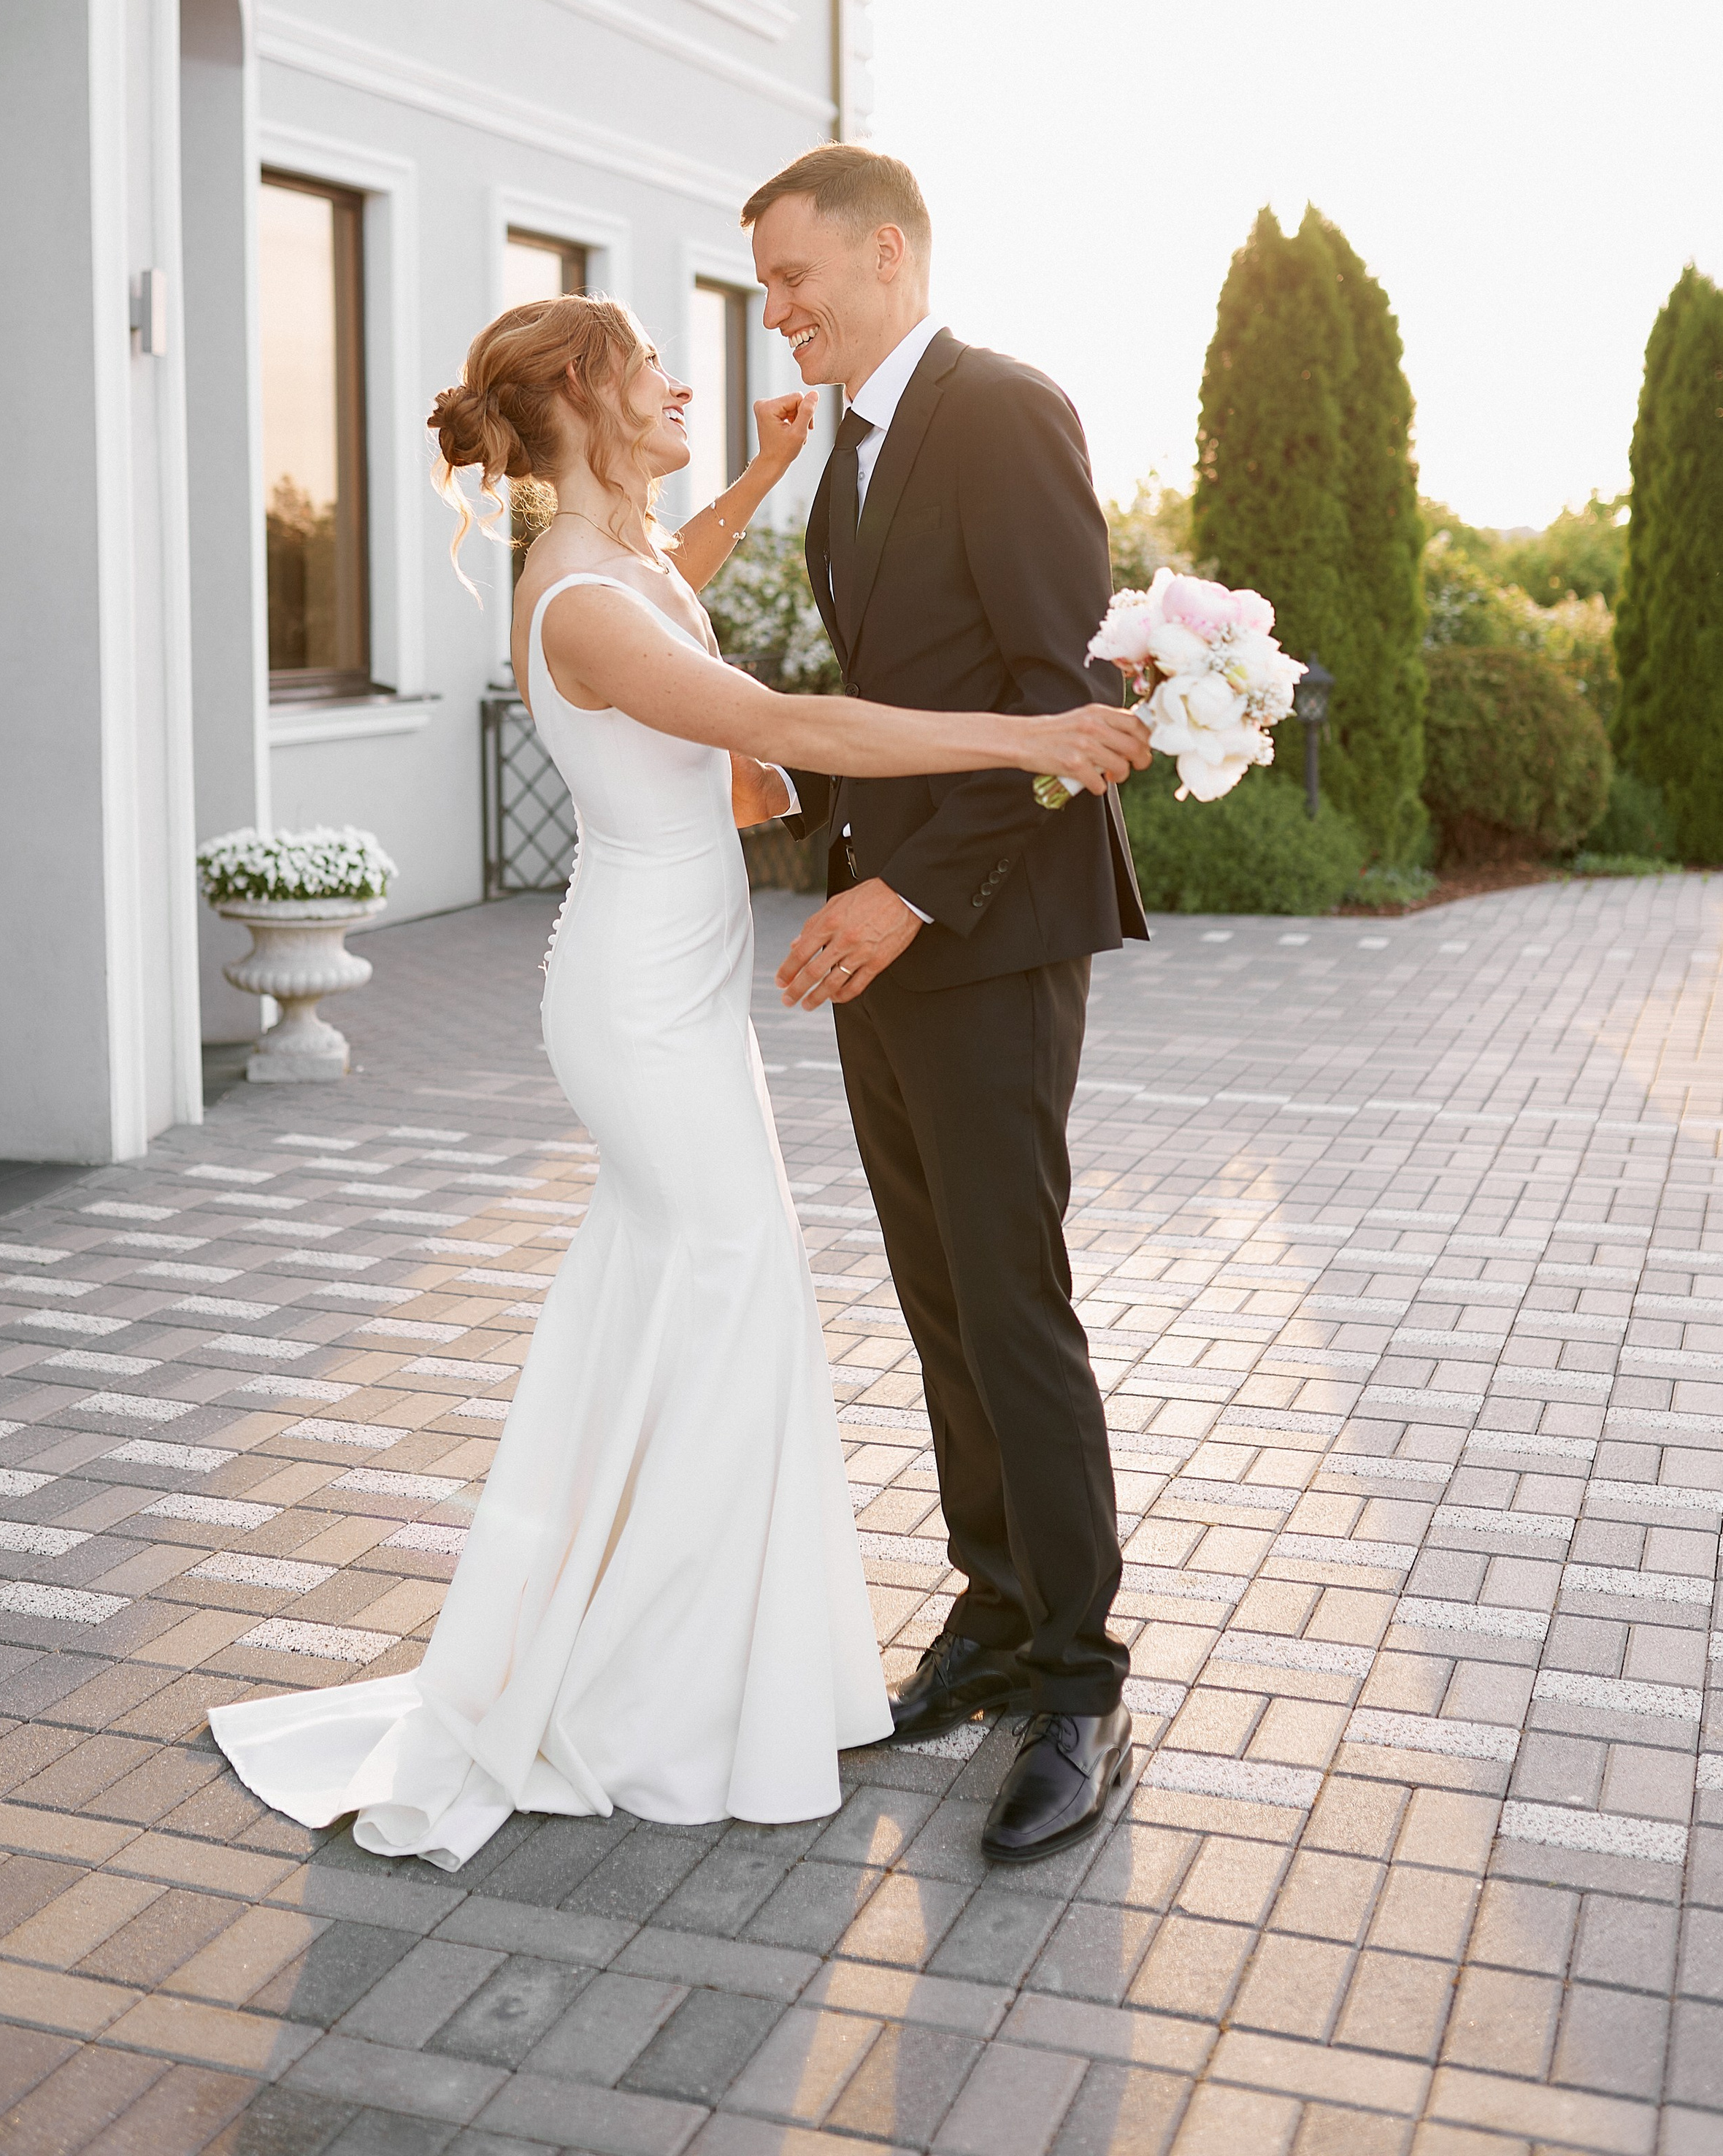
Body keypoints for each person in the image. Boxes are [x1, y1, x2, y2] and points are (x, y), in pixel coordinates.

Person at [207, 292, 1148, 1871]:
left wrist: (755, 486)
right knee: (726, 1293)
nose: (682, 381)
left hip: (680, 997)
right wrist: (1030, 731)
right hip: (638, 1004)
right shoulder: (573, 599)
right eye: (647, 366)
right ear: (581, 397)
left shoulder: (613, 565)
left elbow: (674, 579)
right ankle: (654, 1685)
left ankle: (683, 1649)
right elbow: (781, 717)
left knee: (687, 1303)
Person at [748, 142, 1151, 1866]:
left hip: (979, 933)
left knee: (1012, 1300)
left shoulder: (1000, 409)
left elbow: (1066, 701)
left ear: (888, 253)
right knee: (934, 1303)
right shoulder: (841, 462)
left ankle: (1075, 1679)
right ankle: (990, 1622)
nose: (776, 314)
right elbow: (892, 696)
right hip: (879, 941)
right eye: (762, 288)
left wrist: (905, 889)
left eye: (794, 280)